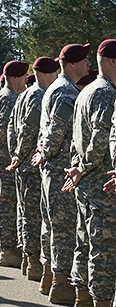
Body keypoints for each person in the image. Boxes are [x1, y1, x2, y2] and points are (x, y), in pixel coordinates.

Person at [31, 43, 91, 304]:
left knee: (51, 226)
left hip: (51, 169)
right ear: (73, 64)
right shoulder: (67, 92)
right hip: (60, 169)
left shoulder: (56, 87)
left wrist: (43, 152)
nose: (89, 64)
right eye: (85, 60)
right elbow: (57, 129)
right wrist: (45, 151)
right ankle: (60, 284)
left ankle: (48, 277)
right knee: (64, 230)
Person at [63, 39, 116, 307]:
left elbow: (76, 138)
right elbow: (99, 138)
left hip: (87, 182)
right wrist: (82, 167)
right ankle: (100, 301)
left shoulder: (87, 90)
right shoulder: (106, 93)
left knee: (85, 243)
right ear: (113, 62)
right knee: (103, 251)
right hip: (100, 184)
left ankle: (82, 296)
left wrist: (77, 167)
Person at [6, 56, 60, 282]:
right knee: (34, 217)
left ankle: (30, 263)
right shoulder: (39, 95)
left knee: (27, 214)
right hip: (32, 164)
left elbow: (11, 127)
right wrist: (20, 155)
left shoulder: (25, 94)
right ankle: (35, 263)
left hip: (25, 162)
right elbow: (28, 129)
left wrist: (15, 153)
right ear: (49, 73)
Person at [0, 60, 29, 267]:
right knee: (8, 206)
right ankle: (8, 251)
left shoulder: (3, 95)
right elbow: (2, 129)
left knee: (2, 204)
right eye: (25, 76)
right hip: (4, 158)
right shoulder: (10, 98)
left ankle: (2, 245)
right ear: (16, 78)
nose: (27, 79)